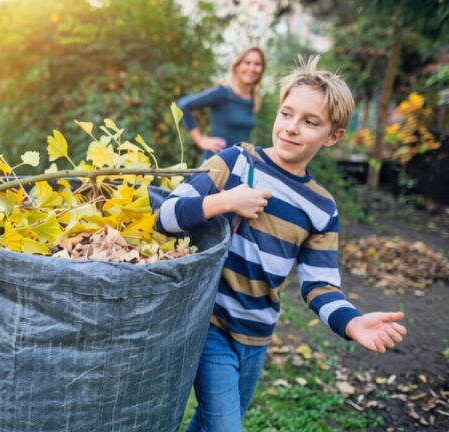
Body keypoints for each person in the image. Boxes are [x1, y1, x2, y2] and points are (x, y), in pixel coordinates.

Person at [157, 56, 407, 431]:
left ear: (333, 136)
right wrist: (225, 201)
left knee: (212, 421)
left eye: (310, 122)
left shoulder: (322, 208)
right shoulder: (237, 162)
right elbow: (165, 215)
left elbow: (319, 284)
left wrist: (351, 322)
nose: (292, 128)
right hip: (213, 325)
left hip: (257, 335)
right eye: (287, 113)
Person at [177, 47, 265, 163]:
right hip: (215, 164)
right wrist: (200, 140)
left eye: (257, 64)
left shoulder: (254, 98)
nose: (252, 68)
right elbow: (183, 104)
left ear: (262, 69)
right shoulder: (223, 93)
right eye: (247, 63)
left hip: (238, 165)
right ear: (237, 67)